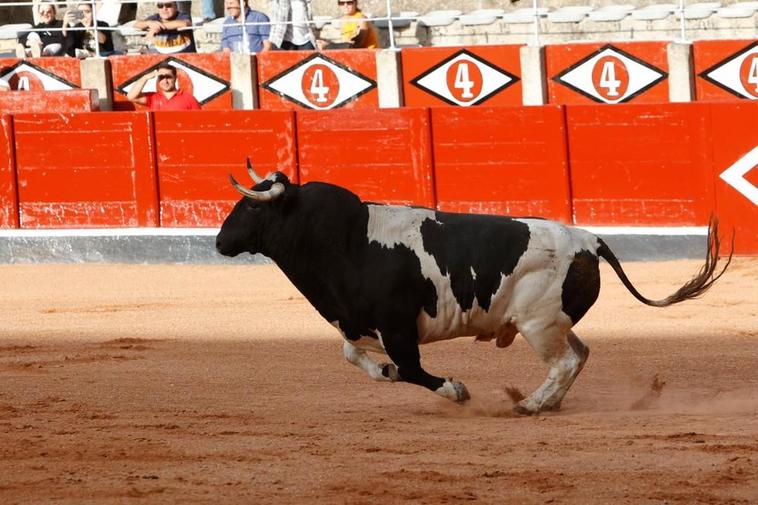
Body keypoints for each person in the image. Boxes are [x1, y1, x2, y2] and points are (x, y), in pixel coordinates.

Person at [126, 62, 201, 111]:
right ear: (158, 79)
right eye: (161, 77)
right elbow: (131, 97)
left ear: (175, 78)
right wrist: (145, 77)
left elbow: (199, 122)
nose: (165, 81)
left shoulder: (189, 99)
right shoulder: (153, 97)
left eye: (168, 77)